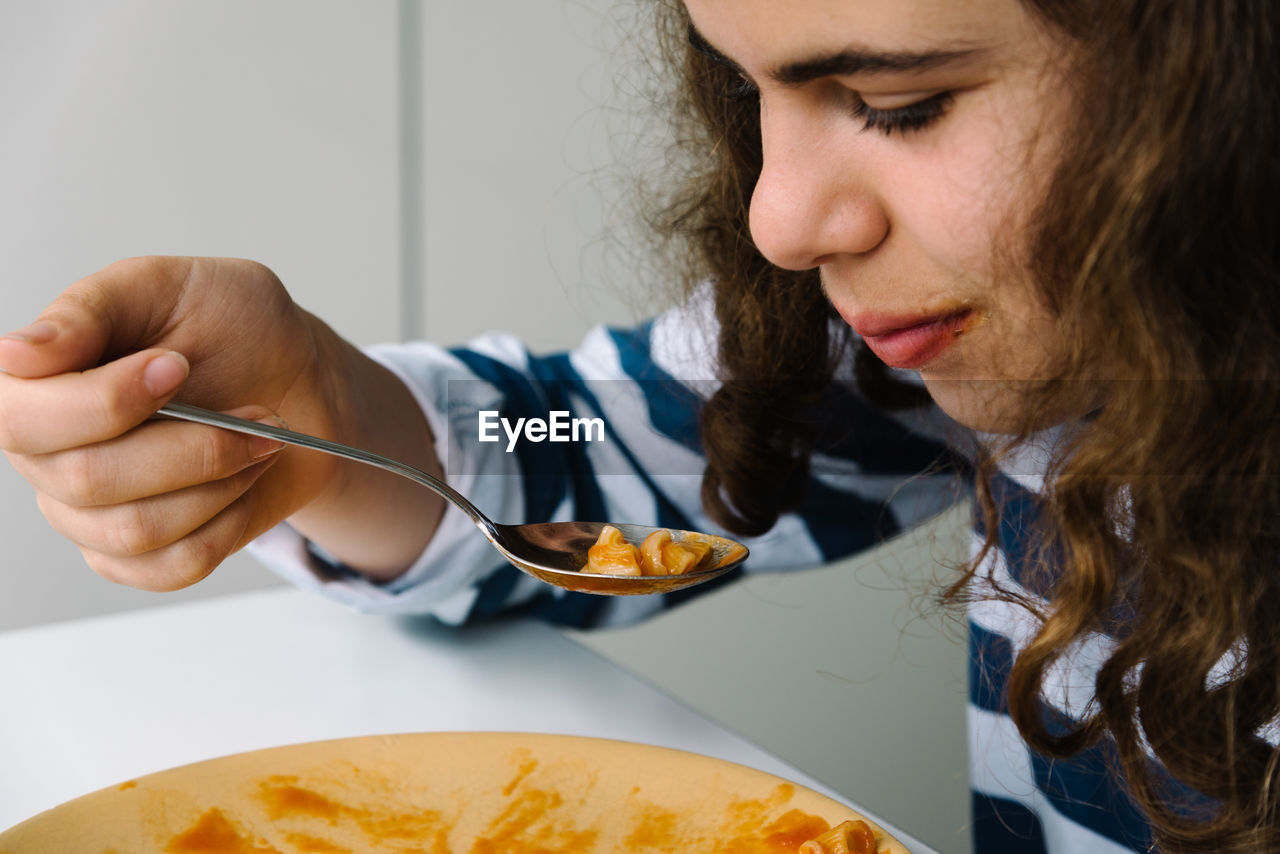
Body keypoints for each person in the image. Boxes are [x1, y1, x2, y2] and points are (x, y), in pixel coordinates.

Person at [0, 0, 1275, 850]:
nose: (777, 220)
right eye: (748, 92)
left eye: (898, 105)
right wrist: (323, 408)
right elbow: (577, 441)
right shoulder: (935, 346)